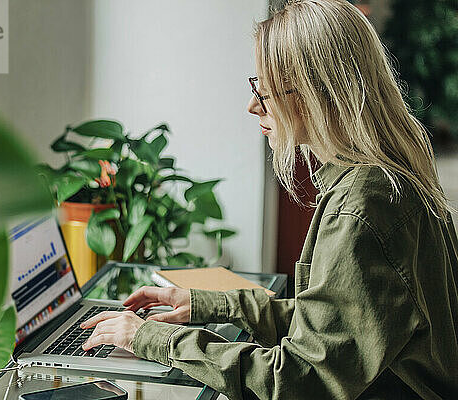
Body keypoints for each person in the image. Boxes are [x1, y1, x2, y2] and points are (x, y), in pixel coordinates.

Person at [80, 0, 458, 398]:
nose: (253, 105)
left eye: (265, 89)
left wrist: (153, 339)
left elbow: (297, 380)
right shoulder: (385, 179)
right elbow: (339, 327)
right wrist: (210, 305)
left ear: (315, 94)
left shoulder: (360, 210)